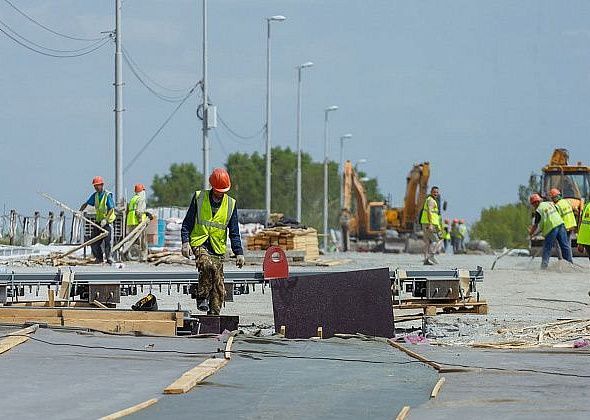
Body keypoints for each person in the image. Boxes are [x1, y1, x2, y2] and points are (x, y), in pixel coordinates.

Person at [181, 168, 245, 315]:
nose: (220, 193)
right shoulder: (199, 197)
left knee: (218, 286)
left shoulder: (230, 204)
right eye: (218, 190)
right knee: (207, 265)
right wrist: (185, 242)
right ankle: (202, 296)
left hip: (217, 246)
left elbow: (234, 231)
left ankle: (213, 316)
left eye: (223, 190)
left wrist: (239, 252)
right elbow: (187, 223)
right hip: (199, 241)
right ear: (212, 186)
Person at [528, 193, 572, 269]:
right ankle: (569, 264)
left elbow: (535, 225)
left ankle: (544, 266)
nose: (533, 206)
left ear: (535, 202)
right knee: (565, 246)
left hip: (552, 228)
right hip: (560, 224)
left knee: (547, 248)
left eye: (533, 204)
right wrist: (536, 233)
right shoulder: (550, 203)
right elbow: (544, 222)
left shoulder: (539, 210)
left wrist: (531, 233)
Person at [79, 176, 115, 264]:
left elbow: (111, 209)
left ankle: (108, 258)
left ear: (102, 185)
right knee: (93, 240)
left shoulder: (107, 195)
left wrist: (106, 220)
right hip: (98, 221)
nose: (96, 187)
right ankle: (99, 258)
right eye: (95, 186)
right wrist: (79, 211)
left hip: (107, 223)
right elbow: (86, 203)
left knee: (107, 241)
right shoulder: (95, 195)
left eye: (97, 185)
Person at [125, 183, 149, 261]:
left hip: (130, 222)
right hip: (138, 222)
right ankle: (143, 257)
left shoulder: (133, 198)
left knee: (132, 240)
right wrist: (141, 221)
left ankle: (132, 256)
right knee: (142, 240)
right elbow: (138, 212)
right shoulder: (141, 198)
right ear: (142, 191)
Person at [420, 186, 441, 265]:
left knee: (427, 242)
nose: (436, 193)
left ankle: (426, 259)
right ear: (431, 192)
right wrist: (431, 224)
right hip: (429, 224)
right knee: (437, 240)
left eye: (437, 192)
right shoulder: (431, 201)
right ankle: (431, 255)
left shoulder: (429, 200)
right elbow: (429, 212)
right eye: (434, 192)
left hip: (426, 222)